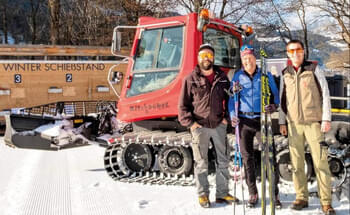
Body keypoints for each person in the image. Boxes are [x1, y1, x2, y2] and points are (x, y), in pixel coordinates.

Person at [178, 43, 239, 208]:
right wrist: (191, 124)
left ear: (213, 58)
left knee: (223, 160)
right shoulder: (190, 79)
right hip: (200, 127)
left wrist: (226, 118)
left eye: (210, 55)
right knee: (201, 162)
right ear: (198, 58)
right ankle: (203, 195)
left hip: (219, 125)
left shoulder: (222, 77)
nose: (207, 58)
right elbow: (183, 105)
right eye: (203, 55)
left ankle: (222, 193)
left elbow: (230, 100)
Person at [279, 39, 335, 215]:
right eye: (291, 50)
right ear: (288, 54)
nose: (295, 53)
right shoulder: (285, 73)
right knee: (296, 163)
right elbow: (283, 100)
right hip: (293, 124)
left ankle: (326, 202)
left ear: (303, 52)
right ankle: (301, 197)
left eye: (298, 50)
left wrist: (326, 118)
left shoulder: (314, 69)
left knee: (321, 163)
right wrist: (282, 121)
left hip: (314, 123)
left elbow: (325, 94)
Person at [228, 44, 282, 208]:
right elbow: (231, 99)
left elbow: (276, 95)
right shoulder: (237, 76)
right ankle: (253, 193)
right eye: (244, 59)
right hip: (244, 121)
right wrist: (232, 116)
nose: (247, 61)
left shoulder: (265, 75)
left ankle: (274, 194)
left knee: (269, 157)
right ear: (242, 61)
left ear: (254, 59)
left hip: (262, 120)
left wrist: (274, 106)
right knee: (247, 159)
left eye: (250, 58)